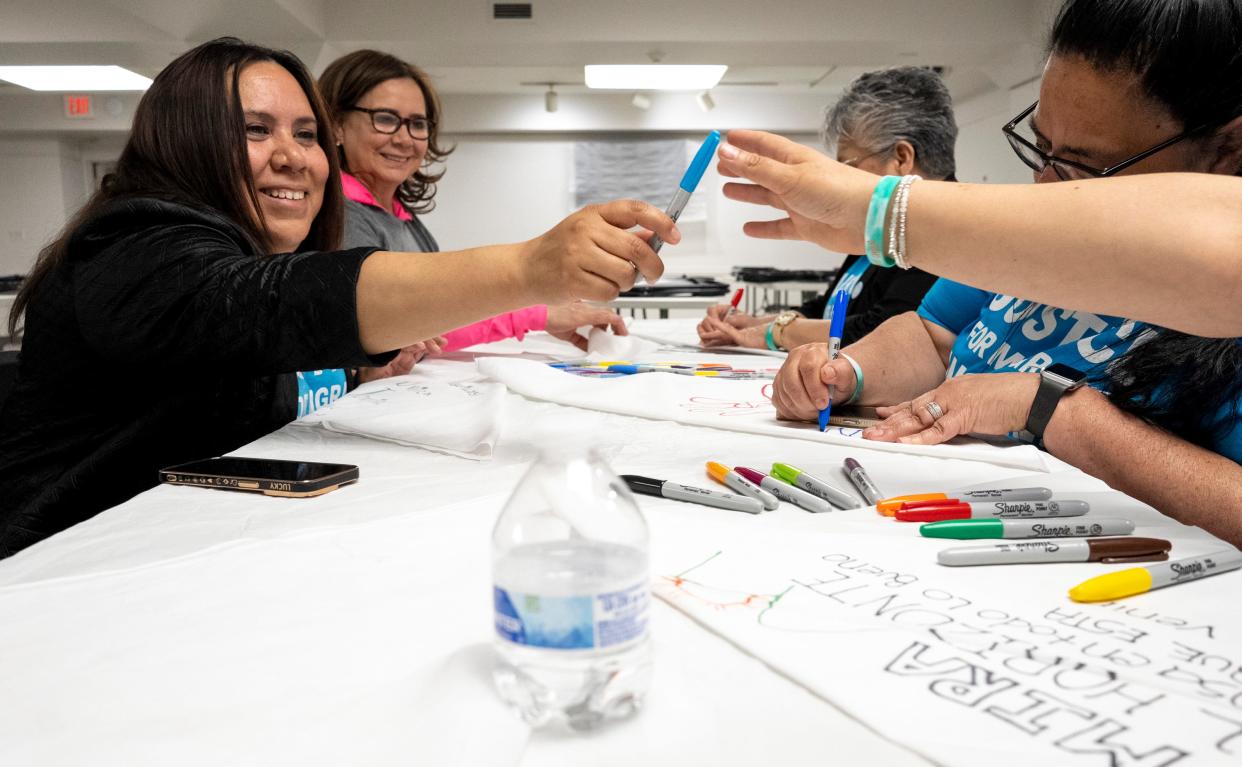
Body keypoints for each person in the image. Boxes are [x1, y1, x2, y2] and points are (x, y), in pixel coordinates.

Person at [0, 38, 676, 555]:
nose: (296, 157)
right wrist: (531, 267)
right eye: (255, 130)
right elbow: (261, 305)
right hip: (59, 566)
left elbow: (233, 367)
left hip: (169, 542)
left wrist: (356, 368)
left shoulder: (231, 247)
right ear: (187, 142)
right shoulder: (132, 239)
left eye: (305, 134)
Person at [721, 0, 1242, 545]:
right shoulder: (1024, 241)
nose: (1046, 186)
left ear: (1226, 150)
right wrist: (849, 371)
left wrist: (1048, 408)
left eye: (1084, 165)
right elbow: (930, 335)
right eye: (1039, 147)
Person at [320, 49, 626, 363]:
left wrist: (538, 315)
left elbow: (437, 317)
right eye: (385, 119)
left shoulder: (402, 217)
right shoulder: (343, 218)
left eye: (418, 124)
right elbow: (400, 330)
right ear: (336, 126)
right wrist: (532, 315)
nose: (404, 138)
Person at [697, 67, 953, 352]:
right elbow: (829, 309)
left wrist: (776, 332)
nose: (840, 179)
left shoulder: (939, 239)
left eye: (849, 167)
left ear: (901, 159)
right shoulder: (882, 227)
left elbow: (880, 332)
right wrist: (754, 324)